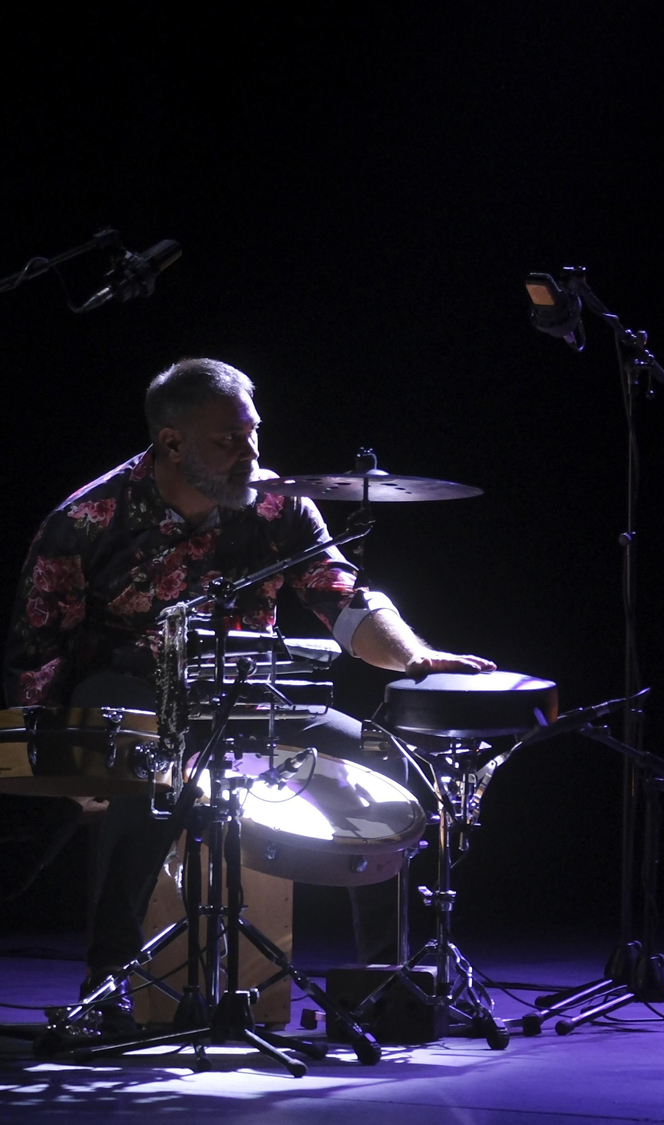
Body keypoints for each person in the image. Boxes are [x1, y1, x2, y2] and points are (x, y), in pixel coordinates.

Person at [3, 357, 495, 1033]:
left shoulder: (278, 503)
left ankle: (388, 980)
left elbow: (341, 597)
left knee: (396, 770)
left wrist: (412, 654)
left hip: (251, 697)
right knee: (148, 769)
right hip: (133, 697)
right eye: (228, 441)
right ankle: (107, 984)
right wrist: (64, 763)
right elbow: (37, 652)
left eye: (253, 435)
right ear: (171, 443)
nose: (250, 454)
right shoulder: (88, 518)